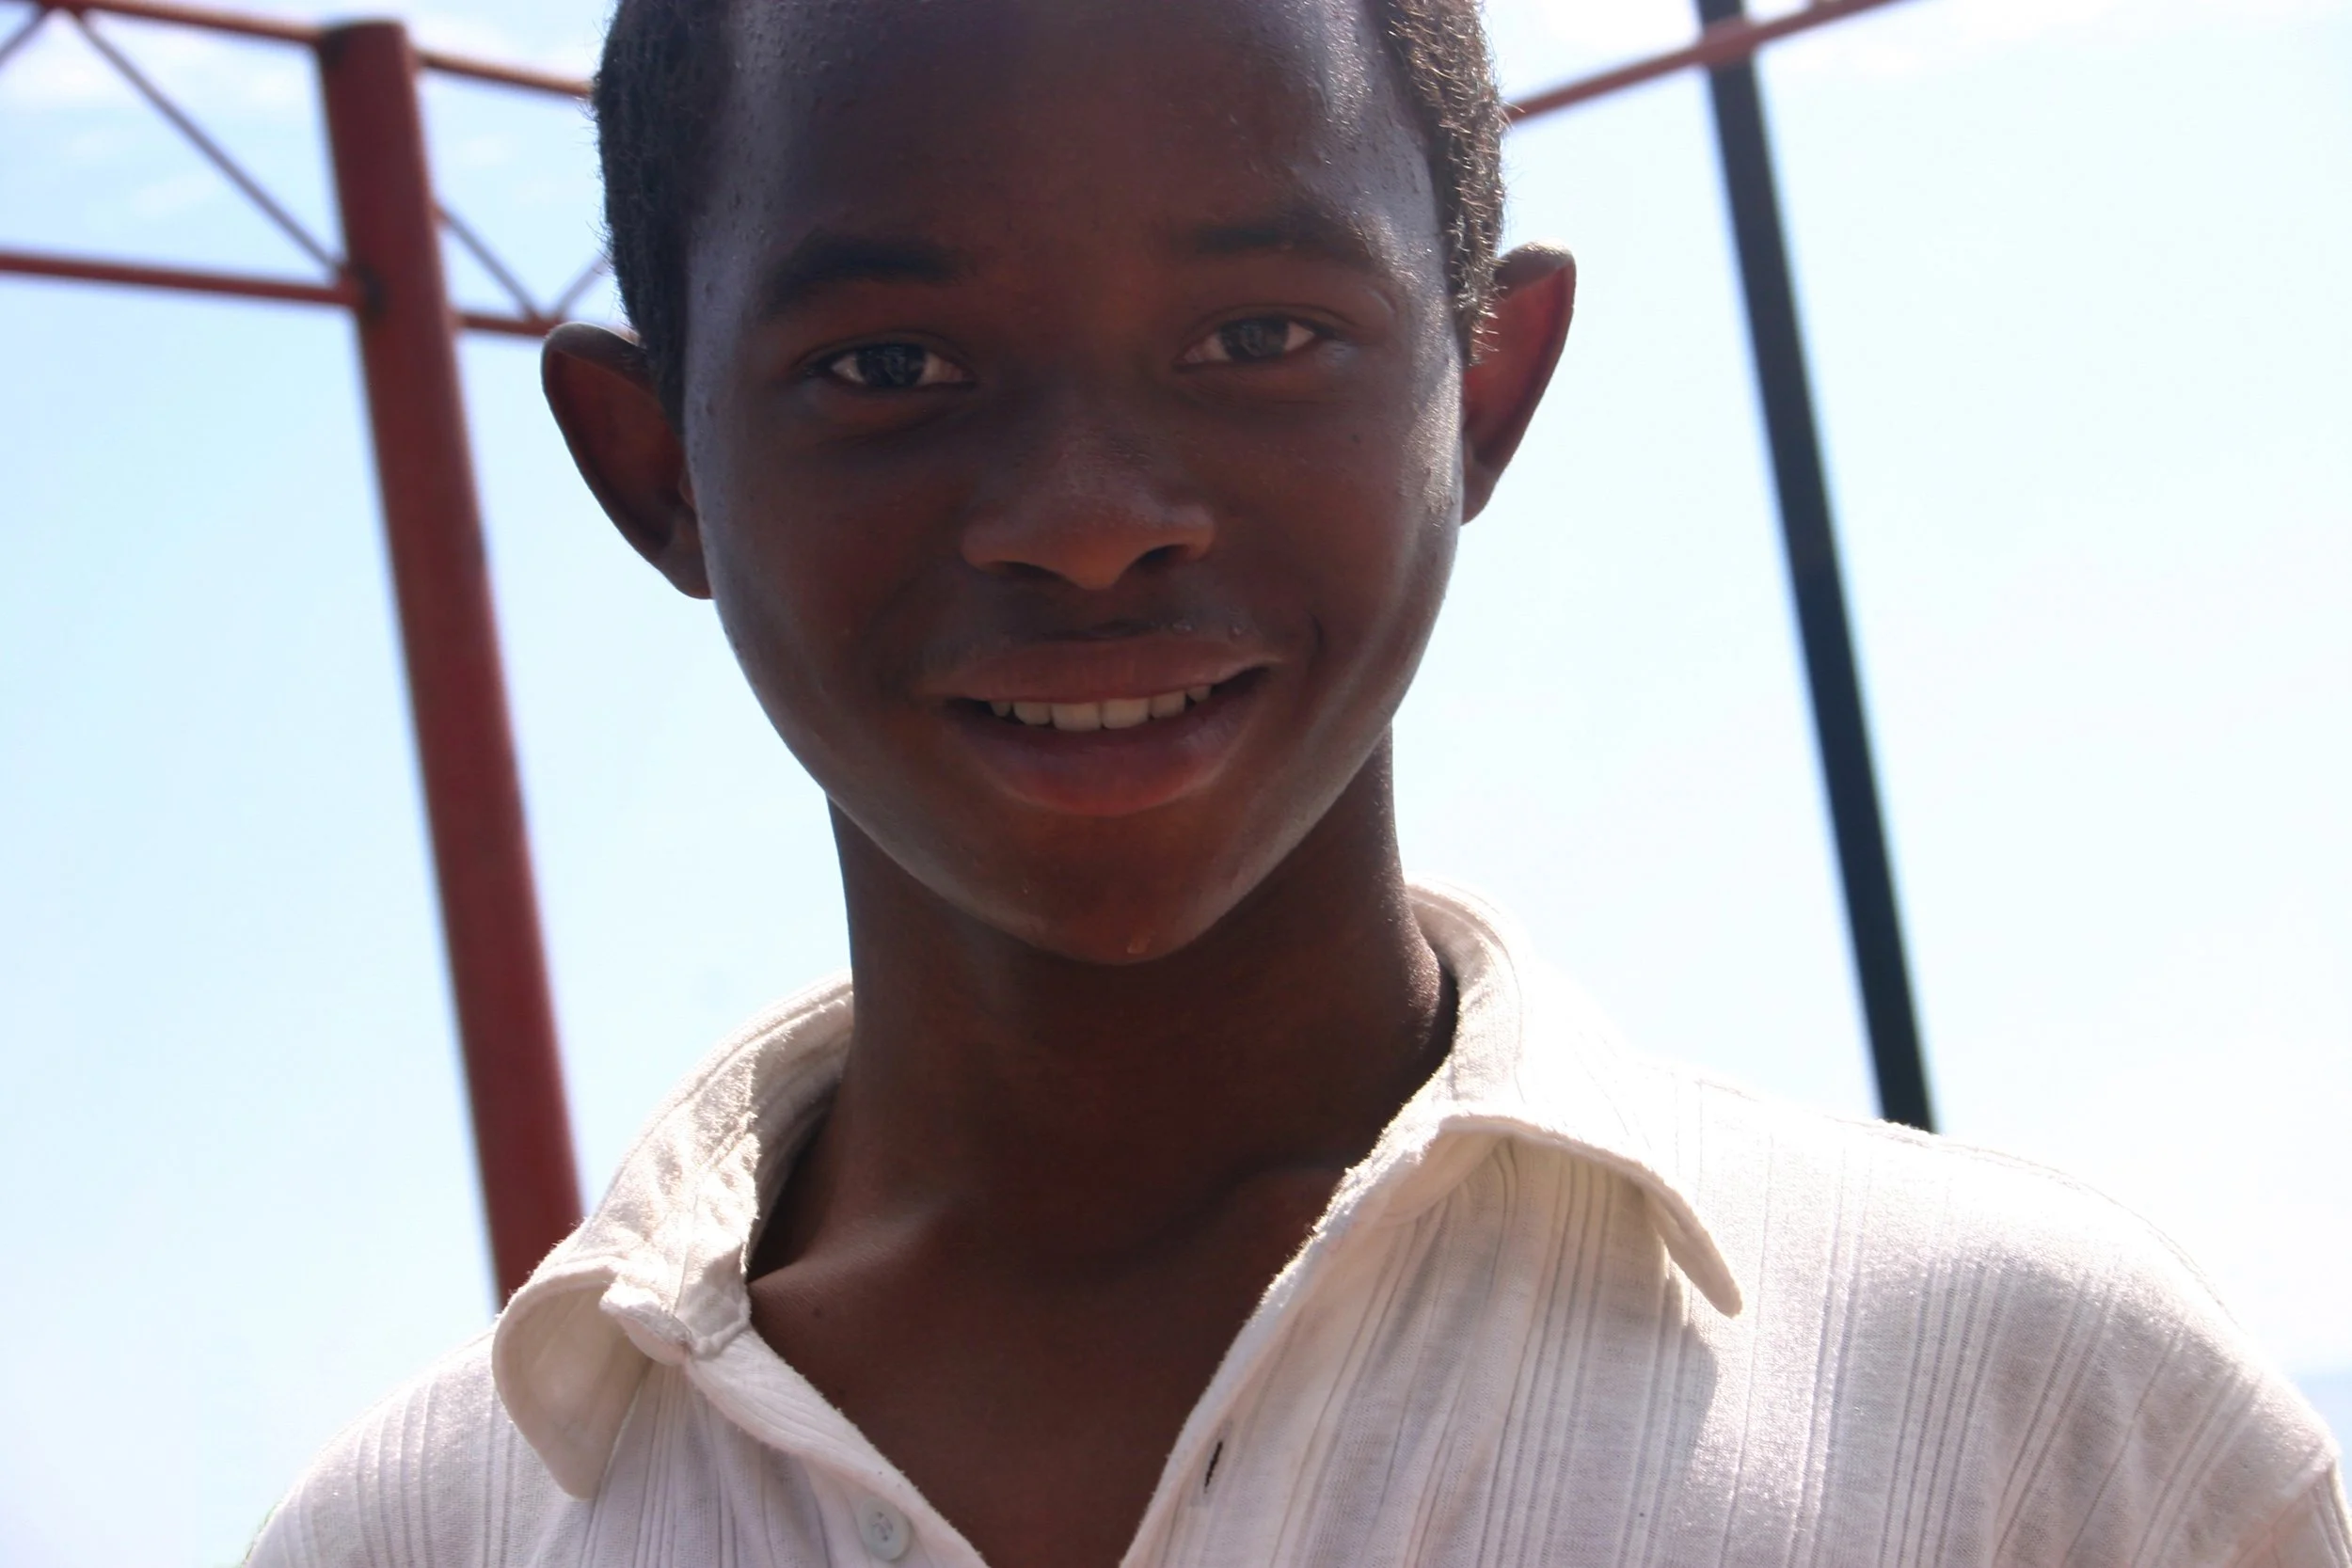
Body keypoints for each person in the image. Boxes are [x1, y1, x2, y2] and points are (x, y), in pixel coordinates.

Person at [248, 0, 2347, 1562]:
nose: (1088, 518)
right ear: (655, 471)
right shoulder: (420, 1535)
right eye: (889, 366)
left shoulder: (2029, 1413)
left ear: (1483, 389)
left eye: (1259, 336)